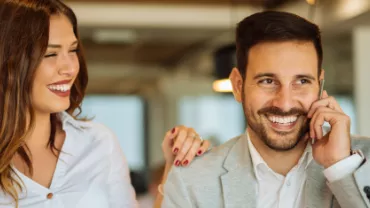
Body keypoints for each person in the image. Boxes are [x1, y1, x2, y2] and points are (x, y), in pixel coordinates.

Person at [0, 0, 210, 207]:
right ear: (10, 61)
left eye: (72, 50)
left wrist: (172, 170)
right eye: (51, 53)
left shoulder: (99, 142)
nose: (70, 68)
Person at [162, 11, 370, 208]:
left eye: (302, 81)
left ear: (320, 84)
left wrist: (341, 168)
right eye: (268, 81)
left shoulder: (364, 162)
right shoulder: (192, 181)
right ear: (237, 85)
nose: (285, 103)